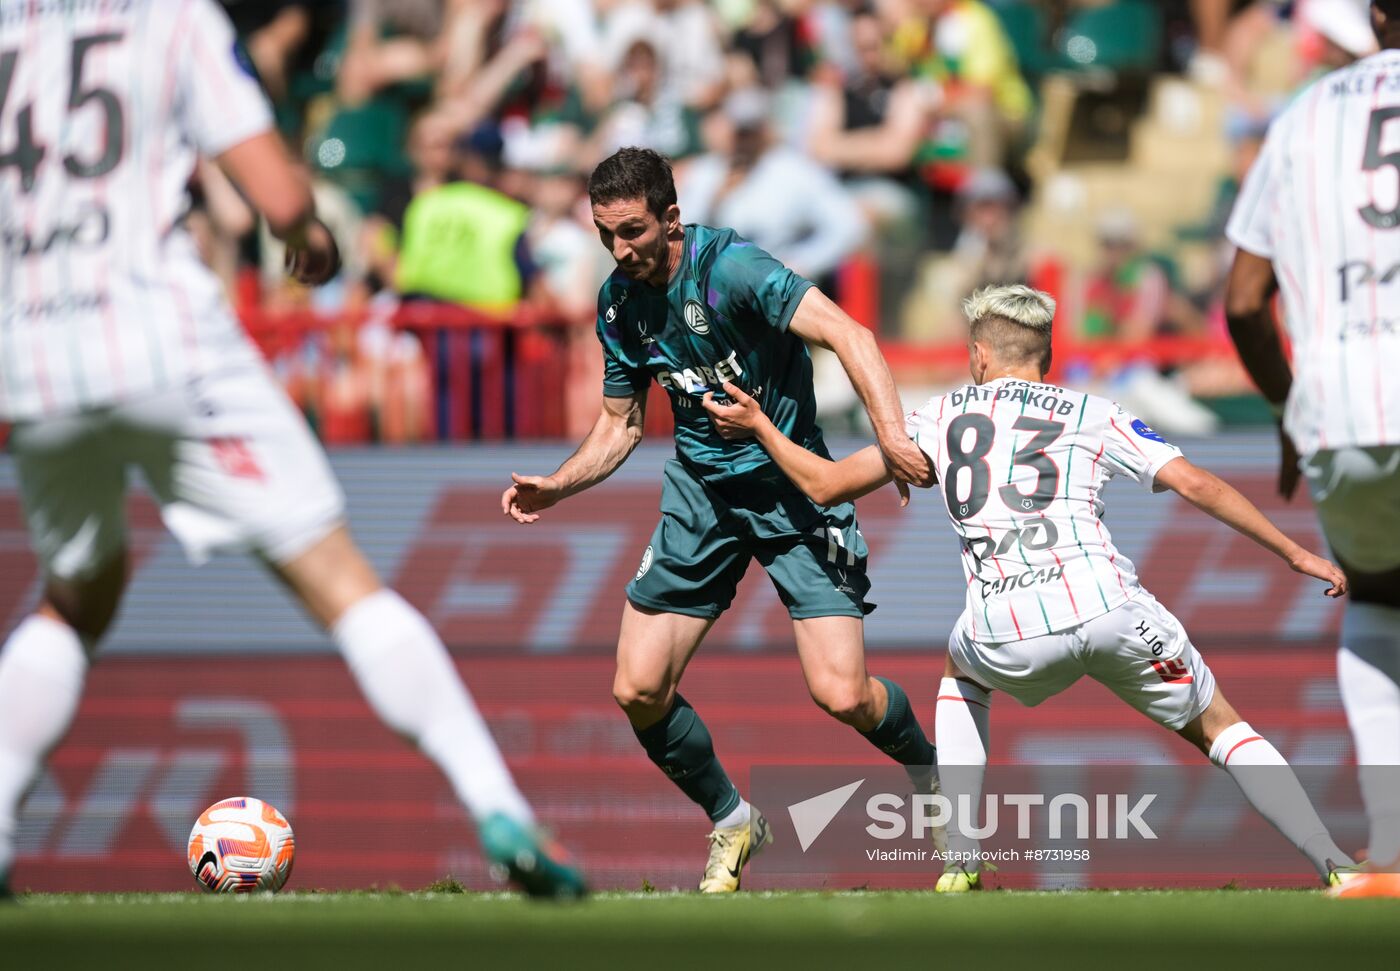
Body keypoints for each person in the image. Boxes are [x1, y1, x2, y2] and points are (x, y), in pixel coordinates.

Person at [0, 0, 581, 899]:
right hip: (164, 338)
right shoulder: (171, 19)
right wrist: (308, 236)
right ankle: (498, 807)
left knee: (73, 600)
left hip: (34, 356)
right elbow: (277, 194)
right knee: (342, 581)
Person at [703, 284, 1361, 893]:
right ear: (1045, 357)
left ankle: (961, 857)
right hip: (1108, 606)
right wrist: (1294, 551)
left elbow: (822, 485)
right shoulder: (1095, 411)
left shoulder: (941, 416)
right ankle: (1332, 862)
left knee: (961, 674)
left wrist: (761, 427)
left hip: (1005, 624)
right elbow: (1195, 483)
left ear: (979, 355)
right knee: (1220, 728)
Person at [501, 147, 936, 893]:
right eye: (606, 234)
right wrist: (559, 485)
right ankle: (734, 819)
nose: (619, 249)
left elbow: (852, 335)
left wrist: (891, 437)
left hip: (794, 491)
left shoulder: (731, 270)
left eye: (632, 231)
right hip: (703, 495)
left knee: (843, 694)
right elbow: (620, 424)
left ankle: (935, 779)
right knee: (637, 689)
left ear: (671, 218)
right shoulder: (619, 303)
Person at [1224, 0, 1400, 899]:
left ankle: (1394, 850)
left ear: (1377, 16)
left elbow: (1244, 299)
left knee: (1378, 599)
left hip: (1341, 407)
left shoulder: (1305, 114)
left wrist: (1285, 409)